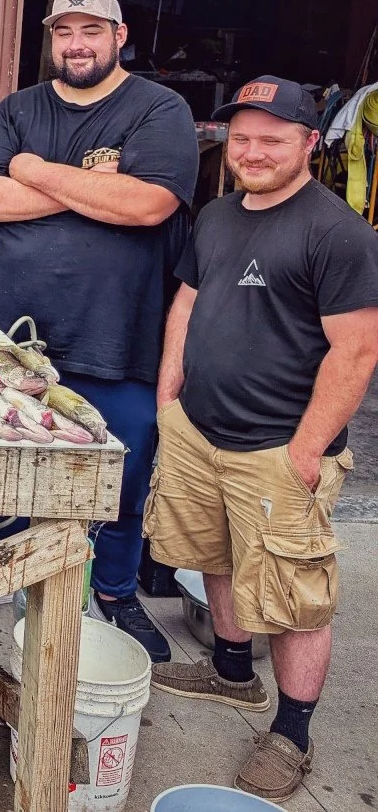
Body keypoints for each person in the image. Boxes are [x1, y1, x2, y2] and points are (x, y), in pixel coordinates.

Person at [147, 77, 378, 803]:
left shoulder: (337, 231)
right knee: (215, 552)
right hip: (200, 430)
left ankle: (293, 733)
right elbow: (187, 298)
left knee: (293, 593)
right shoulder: (217, 215)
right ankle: (230, 670)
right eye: (241, 138)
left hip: (277, 446)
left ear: (311, 142)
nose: (252, 151)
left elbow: (357, 351)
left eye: (271, 140)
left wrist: (307, 449)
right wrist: (169, 391)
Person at [0, 0, 197, 661]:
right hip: (12, 337)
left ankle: (115, 591)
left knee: (119, 470)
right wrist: (95, 186)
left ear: (120, 36)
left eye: (91, 29)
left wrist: (32, 171)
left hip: (114, 335)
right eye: (65, 30)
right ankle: (2, 567)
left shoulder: (159, 108)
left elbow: (150, 202)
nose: (77, 43)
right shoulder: (16, 108)